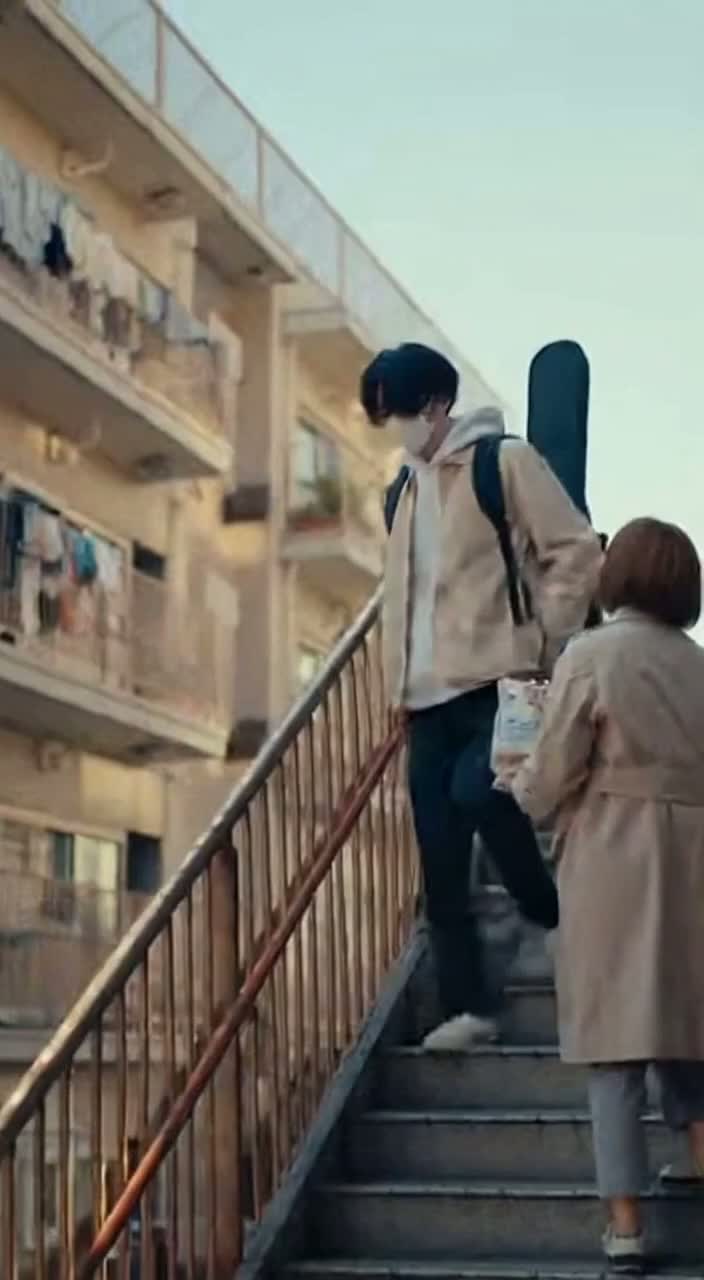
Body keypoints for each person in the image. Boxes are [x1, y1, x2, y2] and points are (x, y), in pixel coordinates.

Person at [361, 342, 602, 1051]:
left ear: (437, 403)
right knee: (439, 860)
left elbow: (575, 550)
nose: (394, 426)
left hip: (503, 681)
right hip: (424, 700)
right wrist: (396, 684)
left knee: (484, 793)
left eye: (400, 411)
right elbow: (404, 599)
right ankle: (469, 1010)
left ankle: (551, 914)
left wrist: (546, 641)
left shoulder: (504, 462)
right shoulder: (402, 492)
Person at [509, 517, 704, 1275]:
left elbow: (552, 772)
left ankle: (625, 1228)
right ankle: (697, 1156)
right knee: (687, 1022)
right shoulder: (698, 664)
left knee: (615, 1047)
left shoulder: (590, 655)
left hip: (615, 852)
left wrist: (519, 782)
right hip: (693, 855)